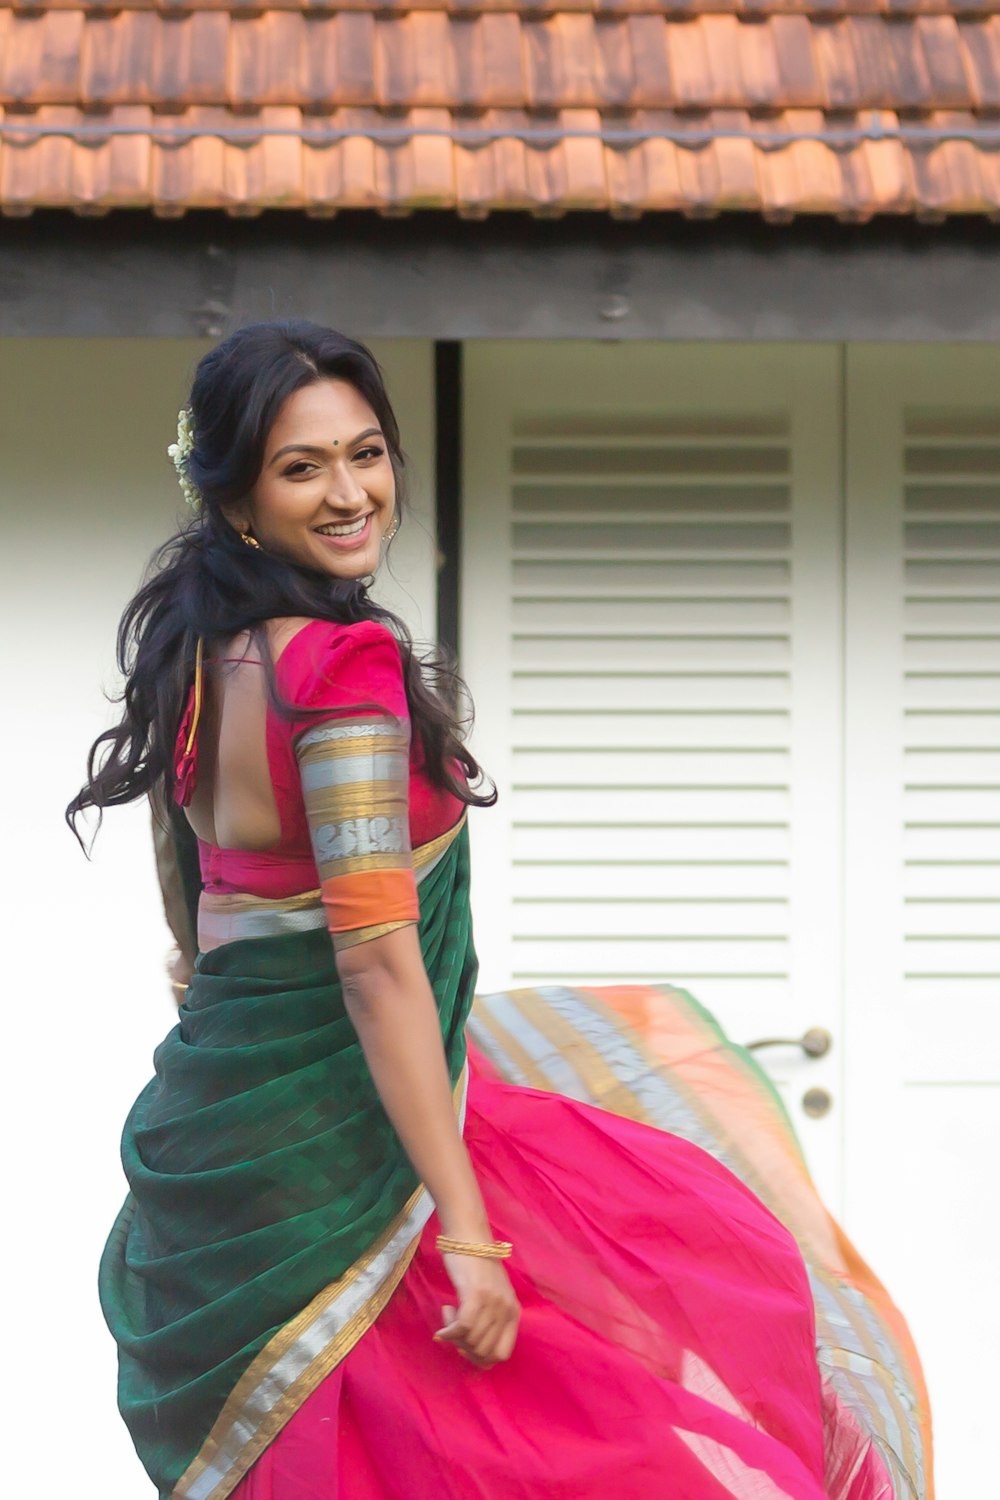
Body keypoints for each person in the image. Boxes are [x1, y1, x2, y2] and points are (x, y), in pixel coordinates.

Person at [71, 322, 845, 1500]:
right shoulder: (338, 672)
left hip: (224, 1138)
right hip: (349, 1158)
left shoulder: (202, 654)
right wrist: (470, 1230)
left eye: (366, 452)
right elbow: (377, 962)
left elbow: (189, 855)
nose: (349, 494)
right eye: (301, 467)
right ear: (236, 502)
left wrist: (203, 958)